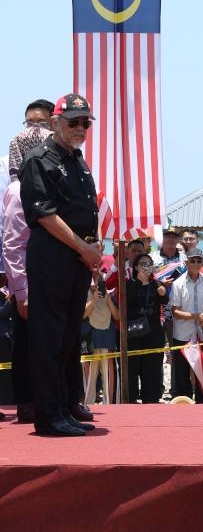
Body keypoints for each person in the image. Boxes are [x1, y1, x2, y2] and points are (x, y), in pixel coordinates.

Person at [19, 93, 102, 436]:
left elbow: (85, 211)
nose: (80, 128)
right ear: (55, 123)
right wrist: (83, 248)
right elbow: (45, 215)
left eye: (85, 122)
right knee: (49, 337)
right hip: (54, 258)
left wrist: (92, 248)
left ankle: (64, 407)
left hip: (77, 260)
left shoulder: (78, 161)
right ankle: (48, 415)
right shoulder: (40, 160)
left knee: (69, 336)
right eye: (73, 121)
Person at [2, 122, 53, 424]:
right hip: (29, 281)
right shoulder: (18, 189)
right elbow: (13, 244)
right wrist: (21, 291)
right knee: (27, 343)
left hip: (50, 278)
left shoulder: (53, 185)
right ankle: (27, 402)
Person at [168, 247, 203, 402]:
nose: (196, 263)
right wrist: (197, 316)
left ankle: (202, 403)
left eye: (199, 260)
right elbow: (175, 311)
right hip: (183, 334)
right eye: (193, 260)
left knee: (202, 371)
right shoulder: (178, 284)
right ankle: (184, 403)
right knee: (182, 373)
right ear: (187, 262)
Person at [125, 253, 168, 403]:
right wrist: (140, 282)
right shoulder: (128, 284)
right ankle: (130, 400)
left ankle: (151, 400)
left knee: (152, 369)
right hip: (134, 333)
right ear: (136, 267)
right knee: (132, 369)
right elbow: (126, 305)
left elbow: (165, 301)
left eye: (149, 264)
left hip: (154, 332)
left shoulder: (157, 283)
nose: (146, 266)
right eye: (142, 263)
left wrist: (162, 292)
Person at [82, 271, 120, 405]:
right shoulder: (82, 293)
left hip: (107, 338)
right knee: (89, 375)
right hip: (90, 339)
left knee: (108, 374)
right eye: (93, 278)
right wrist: (94, 300)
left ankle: (111, 403)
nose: (96, 282)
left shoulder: (109, 294)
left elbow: (117, 316)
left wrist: (108, 300)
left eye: (99, 279)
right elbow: (82, 315)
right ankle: (86, 404)